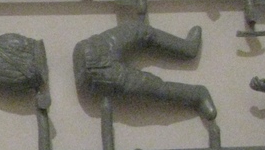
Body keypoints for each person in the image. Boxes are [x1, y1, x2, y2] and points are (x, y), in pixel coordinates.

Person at [73, 21, 216, 120]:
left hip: (94, 47)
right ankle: (198, 95)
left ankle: (187, 47)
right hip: (100, 76)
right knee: (155, 88)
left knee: (142, 31)